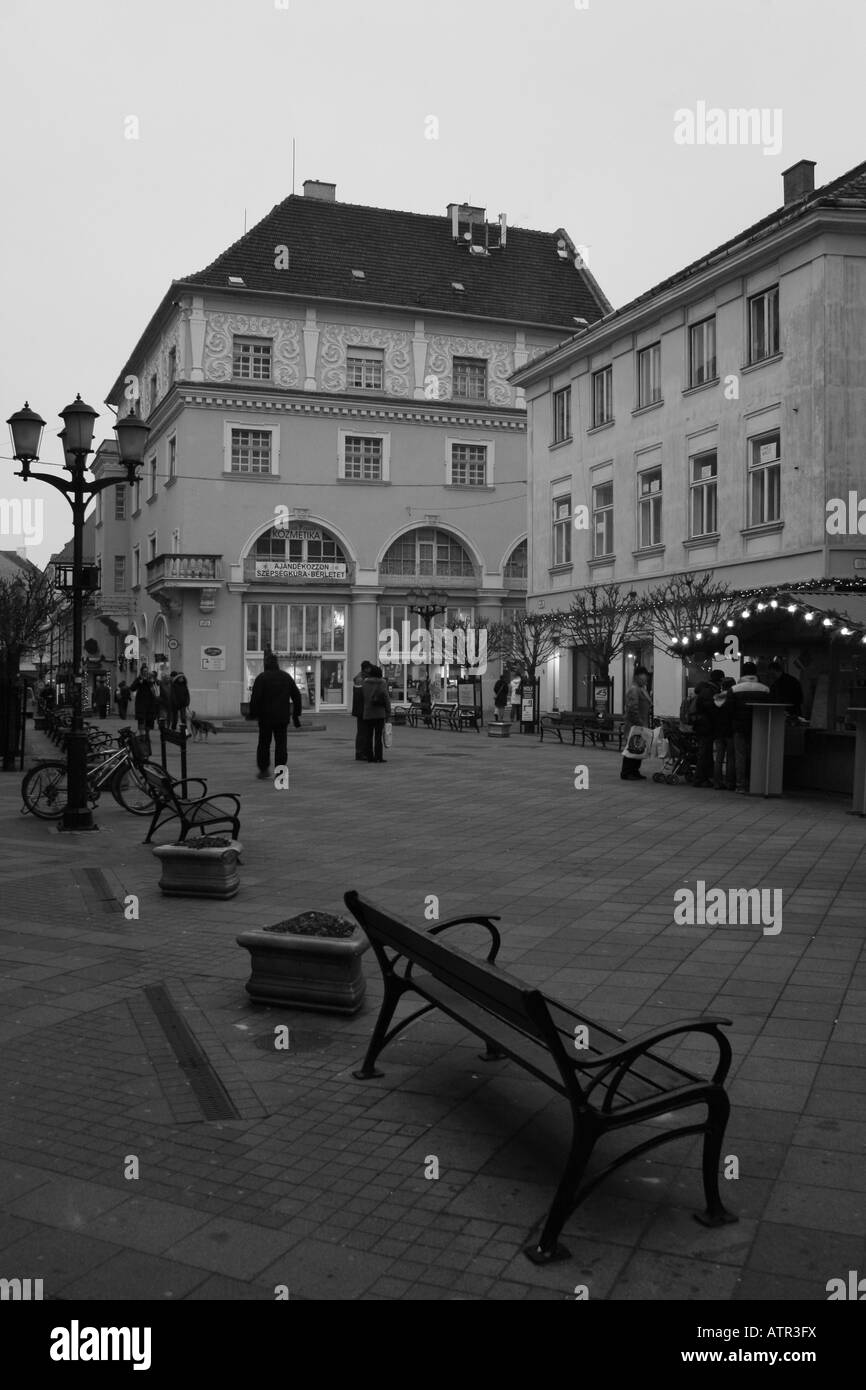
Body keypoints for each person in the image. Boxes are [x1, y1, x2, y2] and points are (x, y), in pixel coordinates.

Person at [249, 652, 302, 780]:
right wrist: (296, 715)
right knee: (281, 745)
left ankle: (263, 770)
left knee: (263, 744)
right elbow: (297, 696)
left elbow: (255, 698)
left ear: (266, 664)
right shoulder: (286, 677)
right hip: (282, 718)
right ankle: (280, 772)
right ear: (277, 663)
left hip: (265, 718)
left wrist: (253, 713)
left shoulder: (262, 678)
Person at [729, 662, 771, 794]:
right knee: (757, 755)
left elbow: (728, 709)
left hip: (739, 727)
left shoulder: (735, 689)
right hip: (760, 727)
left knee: (740, 756)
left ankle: (741, 785)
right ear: (755, 673)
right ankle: (757, 784)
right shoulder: (765, 689)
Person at [692, 670, 725, 787]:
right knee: (704, 753)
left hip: (703, 725)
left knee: (706, 752)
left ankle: (703, 777)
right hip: (705, 726)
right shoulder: (709, 691)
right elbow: (710, 708)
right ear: (720, 680)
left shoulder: (707, 689)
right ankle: (699, 779)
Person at [621, 665, 652, 780]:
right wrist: (639, 723)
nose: (646, 679)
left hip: (641, 723)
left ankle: (634, 771)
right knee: (632, 748)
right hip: (635, 725)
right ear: (637, 677)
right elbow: (632, 709)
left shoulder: (641, 689)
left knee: (638, 748)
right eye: (644, 677)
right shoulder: (634, 689)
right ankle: (627, 772)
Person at [361, 664, 391, 763]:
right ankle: (379, 757)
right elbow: (386, 698)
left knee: (368, 736)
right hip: (379, 713)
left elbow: (363, 697)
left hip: (368, 712)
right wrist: (388, 711)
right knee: (378, 736)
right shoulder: (382, 683)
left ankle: (370, 757)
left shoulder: (365, 683)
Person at [711, 677, 736, 790]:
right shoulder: (733, 698)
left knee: (719, 757)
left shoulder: (716, 698)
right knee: (731, 758)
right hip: (730, 731)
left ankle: (717, 782)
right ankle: (730, 783)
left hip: (718, 731)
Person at [351, 661, 373, 761]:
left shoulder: (362, 677)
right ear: (366, 668)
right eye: (369, 668)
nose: (370, 670)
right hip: (361, 710)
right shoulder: (360, 679)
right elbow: (361, 696)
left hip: (361, 709)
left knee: (363, 731)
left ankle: (362, 751)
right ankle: (360, 752)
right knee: (362, 732)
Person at [130, 667, 160, 739]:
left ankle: (147, 734)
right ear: (141, 672)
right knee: (141, 719)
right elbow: (132, 688)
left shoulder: (151, 680)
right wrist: (139, 682)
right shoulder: (139, 679)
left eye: (146, 671)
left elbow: (157, 688)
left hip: (150, 704)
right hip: (141, 703)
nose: (145, 672)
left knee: (150, 720)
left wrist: (154, 681)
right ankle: (142, 735)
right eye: (144, 671)